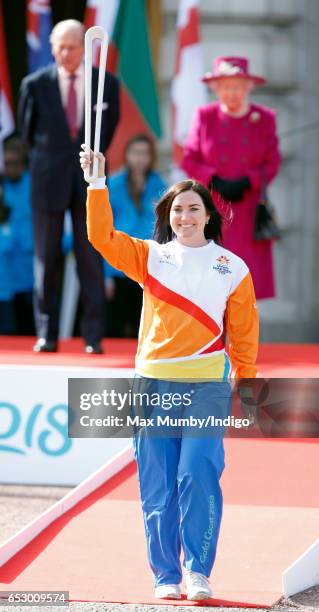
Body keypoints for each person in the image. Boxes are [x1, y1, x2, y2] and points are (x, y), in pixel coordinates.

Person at [80, 146, 259, 600]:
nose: (185, 217)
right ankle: (166, 576)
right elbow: (101, 238)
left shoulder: (231, 267)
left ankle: (198, 570)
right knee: (157, 484)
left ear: (208, 215)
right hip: (153, 383)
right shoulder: (151, 257)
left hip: (206, 386)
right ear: (168, 215)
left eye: (193, 209)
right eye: (177, 210)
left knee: (198, 474)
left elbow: (244, 330)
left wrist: (248, 379)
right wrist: (98, 185)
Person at [18, 19, 120, 353]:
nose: (65, 53)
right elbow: (27, 133)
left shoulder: (105, 83)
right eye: (59, 46)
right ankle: (46, 334)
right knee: (46, 260)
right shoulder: (35, 84)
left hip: (88, 179)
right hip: (48, 181)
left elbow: (110, 125)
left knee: (90, 256)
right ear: (51, 48)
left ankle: (92, 337)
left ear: (85, 48)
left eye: (72, 46)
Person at [182, 56, 281, 300]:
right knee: (212, 283)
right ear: (216, 89)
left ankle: (243, 338)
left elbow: (274, 162)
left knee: (245, 286)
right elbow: (188, 159)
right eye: (226, 87)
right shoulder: (205, 116)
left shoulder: (265, 117)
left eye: (237, 87)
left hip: (248, 209)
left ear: (248, 87)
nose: (231, 93)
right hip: (214, 209)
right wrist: (214, 180)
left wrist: (250, 180)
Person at [105, 133, 166, 337]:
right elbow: (103, 232)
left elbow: (167, 230)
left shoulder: (161, 186)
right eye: (135, 152)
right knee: (115, 326)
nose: (140, 158)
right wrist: (105, 275)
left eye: (145, 153)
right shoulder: (113, 184)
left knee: (145, 328)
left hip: (149, 266)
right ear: (127, 155)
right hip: (118, 265)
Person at [2, 138, 35, 335]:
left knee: (28, 329)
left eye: (16, 164)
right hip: (4, 275)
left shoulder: (34, 185)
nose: (11, 168)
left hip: (29, 271)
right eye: (6, 164)